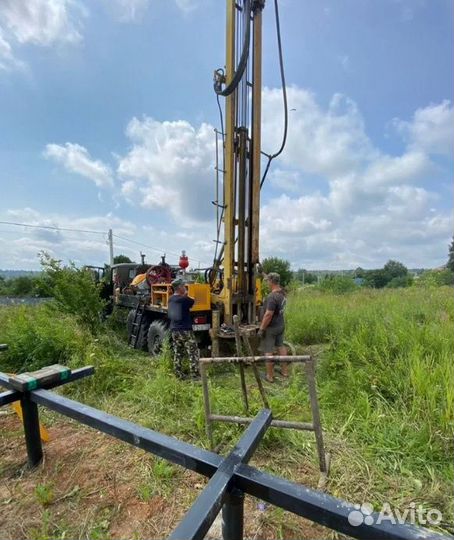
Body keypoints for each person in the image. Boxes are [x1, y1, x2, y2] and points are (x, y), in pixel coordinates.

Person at [257, 272, 288, 383]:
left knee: (268, 350)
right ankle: (285, 372)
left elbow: (268, 314)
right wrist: (263, 272)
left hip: (271, 328)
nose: (267, 282)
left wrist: (261, 329)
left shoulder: (272, 297)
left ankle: (269, 376)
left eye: (267, 281)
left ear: (271, 281)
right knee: (281, 346)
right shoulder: (282, 293)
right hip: (280, 325)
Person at [168, 278, 200, 380]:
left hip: (174, 330)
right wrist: (186, 293)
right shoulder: (185, 300)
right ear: (179, 287)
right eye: (183, 286)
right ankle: (195, 375)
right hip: (185, 330)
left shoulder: (171, 299)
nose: (185, 288)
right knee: (193, 351)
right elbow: (194, 301)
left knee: (178, 351)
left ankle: (178, 374)